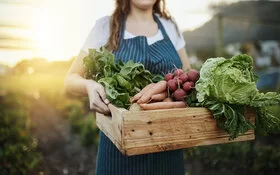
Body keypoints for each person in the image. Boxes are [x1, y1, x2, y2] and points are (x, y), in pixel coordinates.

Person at [64, 0, 191, 174]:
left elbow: (187, 76)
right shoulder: (105, 26)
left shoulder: (170, 26)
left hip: (168, 146)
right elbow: (70, 79)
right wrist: (89, 86)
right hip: (118, 150)